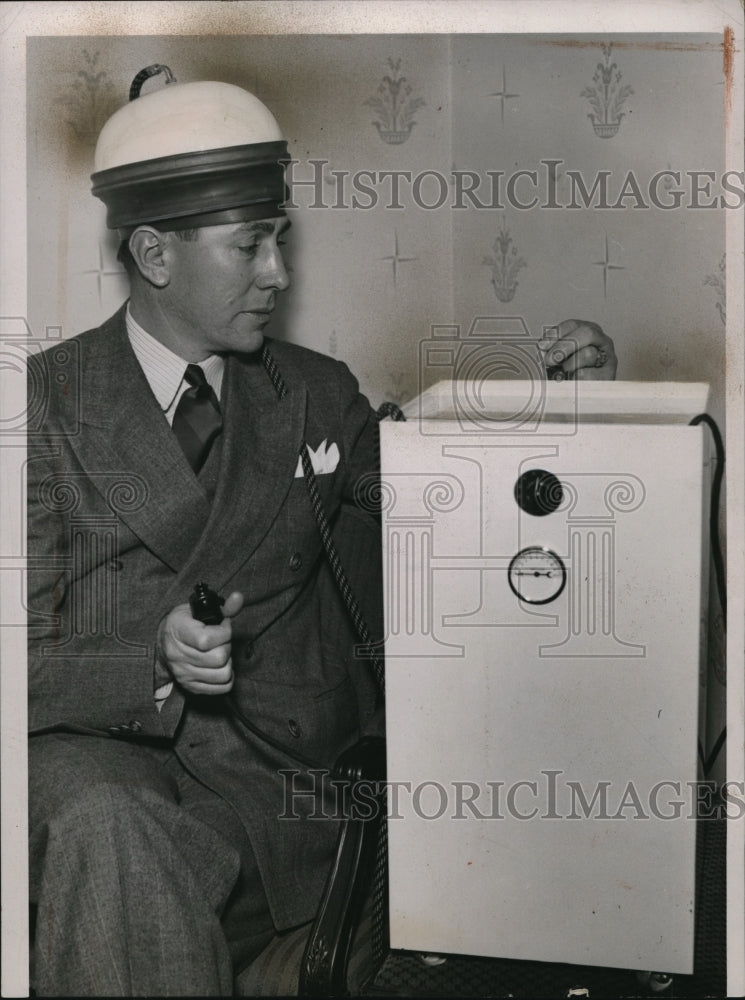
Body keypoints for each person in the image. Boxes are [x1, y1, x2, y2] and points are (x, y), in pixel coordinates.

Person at [26, 67, 618, 997]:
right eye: (249, 246)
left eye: (280, 242)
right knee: (108, 832)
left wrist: (558, 414)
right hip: (118, 775)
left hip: (282, 790)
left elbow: (449, 516)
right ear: (153, 253)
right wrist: (152, 654)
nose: (279, 275)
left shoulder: (313, 393)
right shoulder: (44, 407)